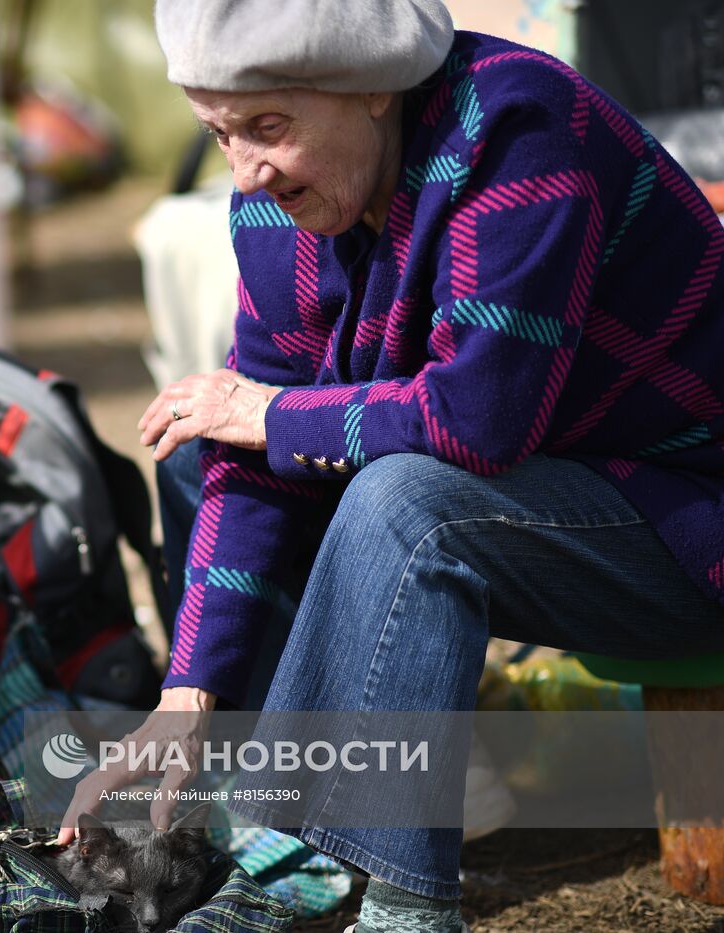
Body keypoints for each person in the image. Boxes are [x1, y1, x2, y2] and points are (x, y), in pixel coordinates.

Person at [60, 2, 724, 931]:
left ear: (374, 85)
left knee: (404, 501)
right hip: (548, 500)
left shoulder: (521, 130)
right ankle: (292, 840)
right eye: (219, 134)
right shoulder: (276, 203)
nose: (246, 171)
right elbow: (260, 448)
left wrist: (274, 412)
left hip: (682, 522)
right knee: (211, 459)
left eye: (269, 128)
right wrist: (185, 693)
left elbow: (478, 421)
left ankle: (398, 903)